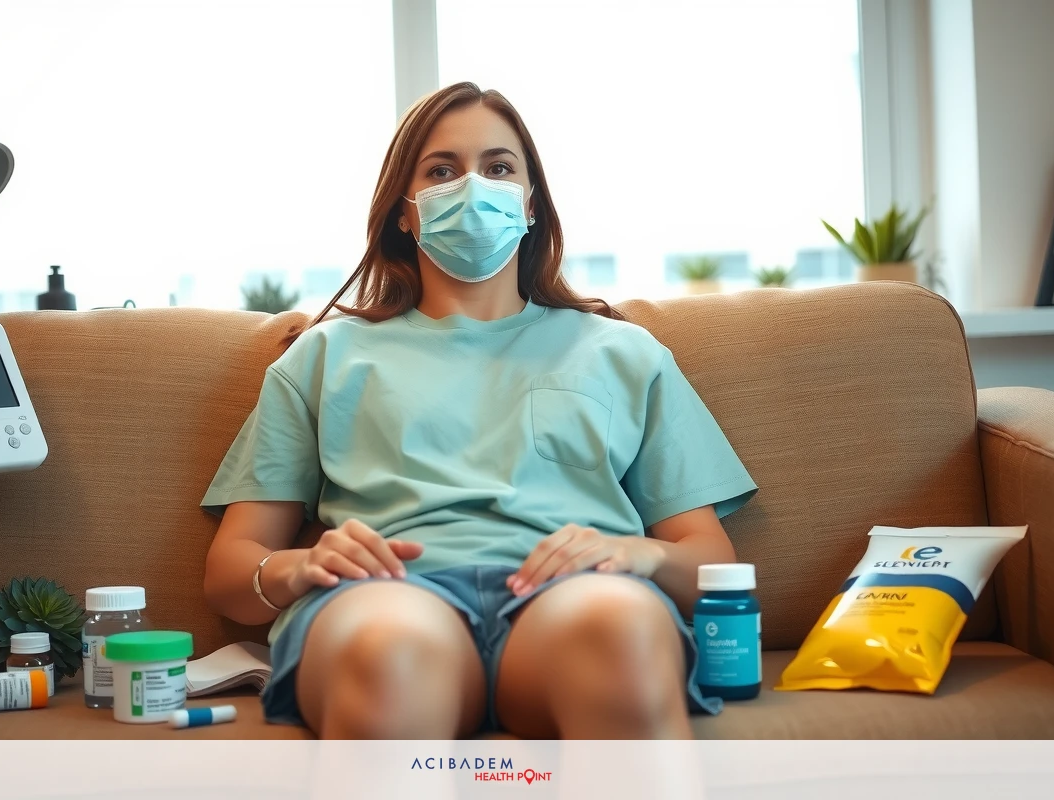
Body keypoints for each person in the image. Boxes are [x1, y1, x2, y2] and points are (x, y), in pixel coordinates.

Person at [200, 82, 757, 740]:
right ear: (403, 212)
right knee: (389, 652)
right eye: (442, 170)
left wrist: (642, 555)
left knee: (620, 633)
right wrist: (297, 564)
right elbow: (229, 573)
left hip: (577, 597)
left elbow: (709, 562)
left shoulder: (626, 354)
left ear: (529, 205)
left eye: (498, 168)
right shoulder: (324, 357)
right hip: (390, 596)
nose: (472, 187)